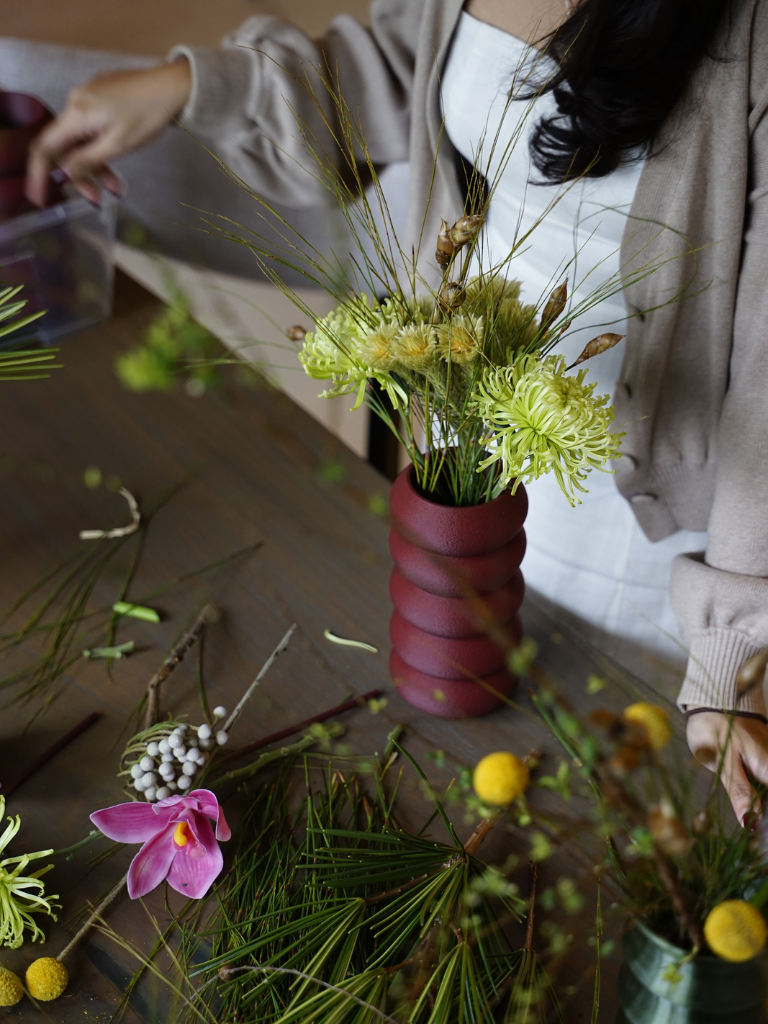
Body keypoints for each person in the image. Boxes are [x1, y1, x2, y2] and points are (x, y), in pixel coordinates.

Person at [22, 0, 768, 824]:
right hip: (461, 429)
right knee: (436, 749)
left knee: (567, 791)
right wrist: (185, 84)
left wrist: (734, 649)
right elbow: (401, 65)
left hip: (644, 513)